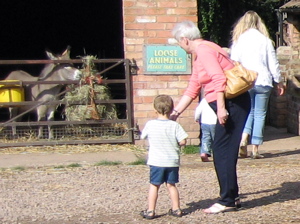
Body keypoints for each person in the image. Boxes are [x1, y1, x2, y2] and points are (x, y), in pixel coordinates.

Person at [170, 20, 251, 214]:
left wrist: (222, 109)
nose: (180, 47)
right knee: (223, 149)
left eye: (179, 43)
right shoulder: (202, 54)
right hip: (230, 103)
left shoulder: (204, 51)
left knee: (222, 150)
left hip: (232, 104)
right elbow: (193, 88)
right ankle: (232, 196)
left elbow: (219, 79)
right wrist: (175, 113)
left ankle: (228, 200)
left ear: (184, 39)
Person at [230, 11, 285, 159]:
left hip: (245, 82)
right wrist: (278, 81)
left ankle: (243, 139)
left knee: (248, 112)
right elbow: (273, 63)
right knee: (260, 114)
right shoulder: (265, 40)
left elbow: (234, 62)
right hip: (263, 80)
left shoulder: (238, 40)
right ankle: (255, 148)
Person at [140, 94, 188, 219]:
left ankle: (150, 211)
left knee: (154, 185)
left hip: (156, 161)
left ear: (155, 110)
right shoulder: (174, 125)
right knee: (171, 185)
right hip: (172, 161)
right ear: (172, 110)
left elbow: (143, 136)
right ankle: (176, 209)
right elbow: (183, 141)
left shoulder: (150, 124)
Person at [194, 97, 217, 162]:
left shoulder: (205, 100)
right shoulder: (218, 99)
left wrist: (196, 118)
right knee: (216, 139)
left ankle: (204, 153)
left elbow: (198, 109)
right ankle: (217, 154)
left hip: (204, 122)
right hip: (215, 122)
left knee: (205, 138)